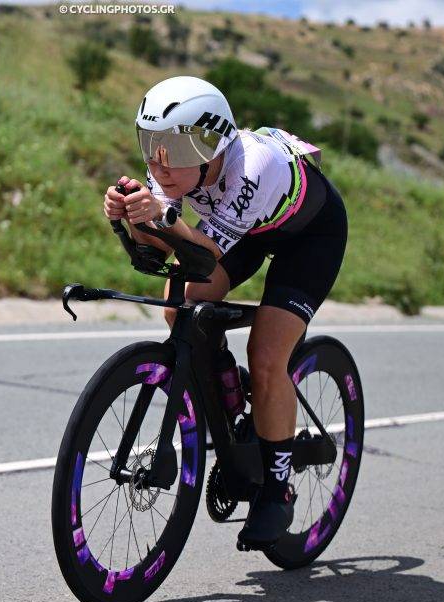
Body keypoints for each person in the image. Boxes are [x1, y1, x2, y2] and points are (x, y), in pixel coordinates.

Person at [102, 76, 349, 549]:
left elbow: (203, 250)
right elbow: (173, 252)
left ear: (211, 144)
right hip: (245, 230)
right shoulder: (172, 167)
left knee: (268, 355)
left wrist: (162, 217)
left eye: (173, 146)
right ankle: (230, 398)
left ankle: (278, 489)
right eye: (150, 143)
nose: (159, 162)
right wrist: (129, 219)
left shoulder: (251, 167)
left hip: (309, 238)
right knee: (180, 310)